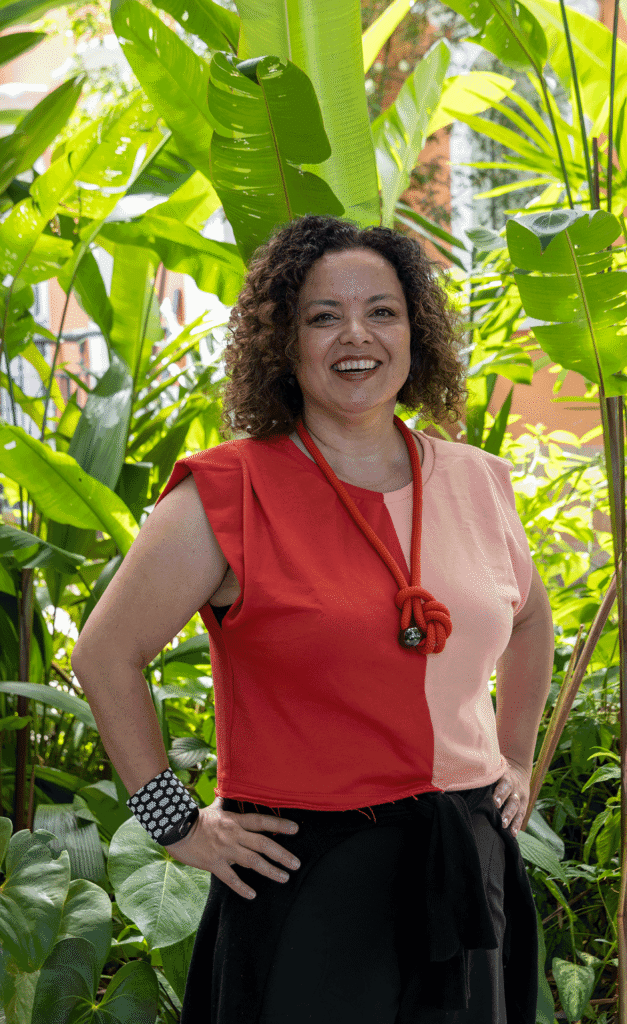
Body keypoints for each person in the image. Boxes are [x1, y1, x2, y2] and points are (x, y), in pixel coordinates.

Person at [72, 214, 555, 1024]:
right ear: (283, 343)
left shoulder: (478, 480)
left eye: (382, 311)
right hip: (306, 873)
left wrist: (513, 757)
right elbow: (104, 655)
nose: (355, 335)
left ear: (414, 333)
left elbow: (531, 620)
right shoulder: (225, 492)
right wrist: (174, 822)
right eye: (322, 316)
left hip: (465, 859)